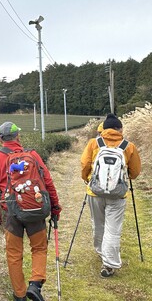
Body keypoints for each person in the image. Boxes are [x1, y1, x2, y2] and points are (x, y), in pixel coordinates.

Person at [0, 122, 61, 301]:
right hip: (34, 207)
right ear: (18, 136)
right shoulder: (32, 155)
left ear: (0, 139)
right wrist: (55, 207)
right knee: (40, 248)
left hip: (11, 212)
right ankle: (35, 284)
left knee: (13, 254)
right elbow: (48, 182)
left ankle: (19, 295)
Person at [81, 113, 141, 277]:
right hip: (118, 195)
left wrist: (87, 179)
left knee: (98, 224)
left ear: (104, 129)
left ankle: (101, 251)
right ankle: (108, 264)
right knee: (113, 229)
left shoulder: (94, 143)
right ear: (120, 129)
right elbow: (135, 172)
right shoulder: (128, 146)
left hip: (94, 192)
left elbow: (85, 164)